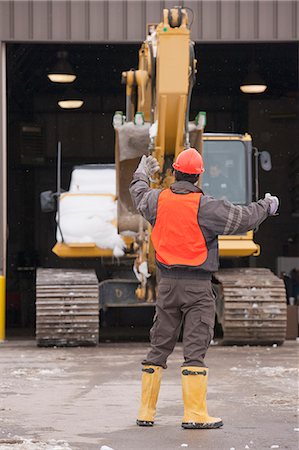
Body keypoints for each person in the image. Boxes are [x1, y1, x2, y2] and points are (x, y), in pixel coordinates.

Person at [129, 148, 279, 429]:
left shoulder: (156, 200)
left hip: (167, 286)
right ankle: (195, 414)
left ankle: (146, 412)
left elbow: (138, 192)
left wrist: (142, 172)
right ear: (199, 176)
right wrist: (266, 206)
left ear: (174, 172)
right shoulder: (207, 207)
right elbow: (244, 218)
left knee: (159, 346)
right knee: (195, 348)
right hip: (197, 287)